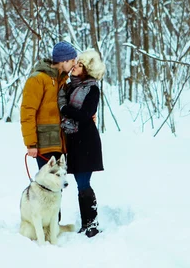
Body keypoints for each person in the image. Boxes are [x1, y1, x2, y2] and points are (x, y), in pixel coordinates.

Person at [58, 49, 105, 238]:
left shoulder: (92, 88)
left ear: (87, 70)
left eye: (79, 65)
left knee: (83, 182)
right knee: (80, 183)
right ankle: (87, 223)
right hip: (74, 141)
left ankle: (91, 224)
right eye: (76, 63)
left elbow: (86, 115)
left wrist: (65, 109)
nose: (75, 67)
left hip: (87, 142)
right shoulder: (71, 87)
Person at [21, 41, 77, 169]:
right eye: (72, 60)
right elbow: (27, 112)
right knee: (47, 185)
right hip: (44, 144)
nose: (74, 64)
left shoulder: (61, 81)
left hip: (59, 143)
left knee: (57, 186)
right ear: (64, 61)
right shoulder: (38, 79)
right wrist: (31, 144)